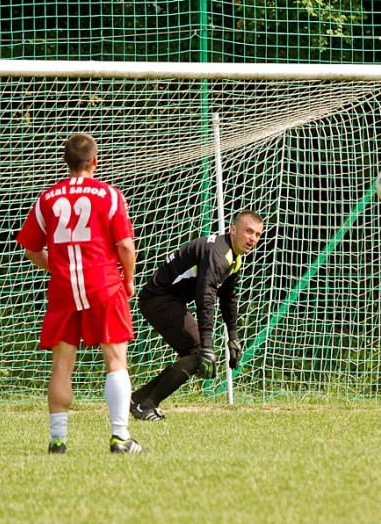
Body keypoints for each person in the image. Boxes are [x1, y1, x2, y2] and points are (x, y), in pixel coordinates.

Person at [16, 133, 144, 454]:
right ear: (94, 162)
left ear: (66, 161)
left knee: (62, 364)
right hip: (103, 283)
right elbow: (126, 246)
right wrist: (127, 280)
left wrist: (57, 268)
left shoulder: (47, 198)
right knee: (115, 360)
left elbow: (31, 249)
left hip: (64, 289)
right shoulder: (109, 195)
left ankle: (58, 440)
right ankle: (120, 437)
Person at [130, 210, 265, 421]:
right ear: (233, 229)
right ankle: (147, 405)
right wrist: (208, 345)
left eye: (257, 234)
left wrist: (233, 337)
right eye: (248, 231)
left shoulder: (233, 257)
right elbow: (206, 298)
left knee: (195, 353)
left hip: (166, 300)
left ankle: (138, 399)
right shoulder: (218, 254)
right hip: (159, 299)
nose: (252, 238)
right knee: (197, 353)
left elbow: (228, 297)